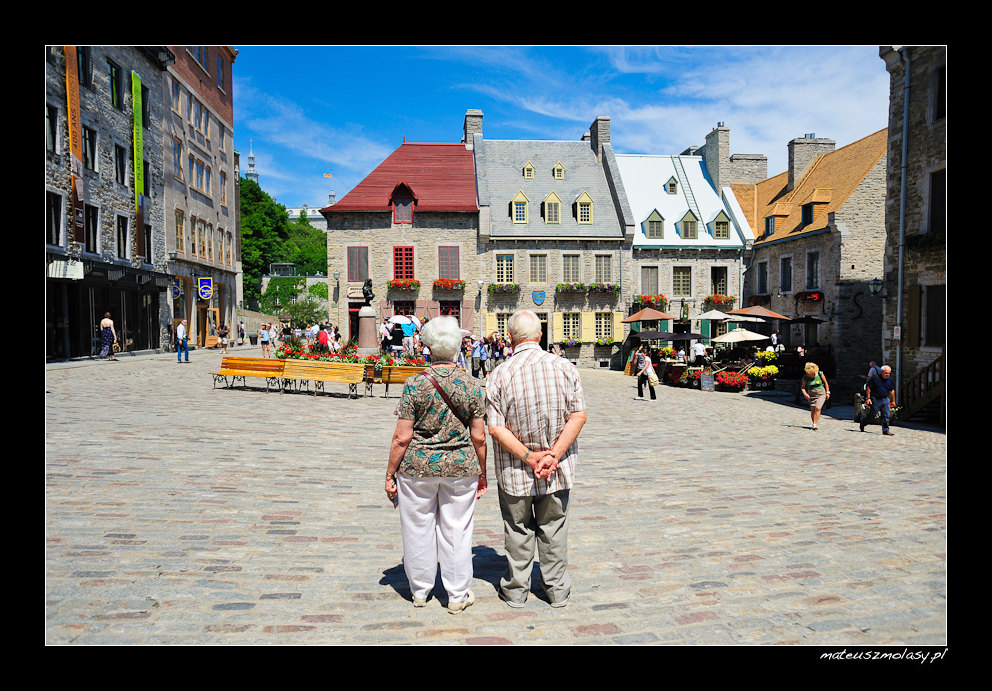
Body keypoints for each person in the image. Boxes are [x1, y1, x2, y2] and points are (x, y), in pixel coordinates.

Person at [384, 316, 488, 614]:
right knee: (457, 530)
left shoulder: (415, 383)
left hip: (417, 468)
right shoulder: (472, 385)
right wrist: (482, 472)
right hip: (460, 467)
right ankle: (456, 595)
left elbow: (401, 437)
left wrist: (390, 473)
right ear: (457, 346)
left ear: (428, 347)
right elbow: (479, 437)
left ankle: (420, 590)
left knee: (417, 527)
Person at [486, 309, 587, 609]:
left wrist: (530, 457)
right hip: (557, 469)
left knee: (517, 530)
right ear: (540, 335)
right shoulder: (566, 368)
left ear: (510, 338)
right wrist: (553, 454)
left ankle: (517, 591)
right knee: (554, 529)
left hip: (516, 471)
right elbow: (578, 416)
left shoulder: (501, 374)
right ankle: (556, 591)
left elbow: (495, 427)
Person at [861, 365, 897, 436]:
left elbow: (892, 390)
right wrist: (868, 398)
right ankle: (863, 423)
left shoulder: (890, 380)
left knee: (886, 415)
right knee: (873, 414)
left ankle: (886, 430)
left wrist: (893, 401)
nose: (887, 375)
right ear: (881, 372)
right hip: (876, 398)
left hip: (885, 398)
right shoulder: (875, 378)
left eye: (889, 373)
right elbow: (868, 387)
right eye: (886, 373)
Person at [800, 362, 830, 430]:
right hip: (811, 394)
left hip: (821, 393)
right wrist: (805, 394)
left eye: (813, 373)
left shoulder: (820, 374)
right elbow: (802, 387)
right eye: (810, 373)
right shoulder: (805, 377)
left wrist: (828, 392)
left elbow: (825, 383)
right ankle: (813, 422)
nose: (812, 374)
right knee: (813, 410)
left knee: (818, 408)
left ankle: (814, 424)